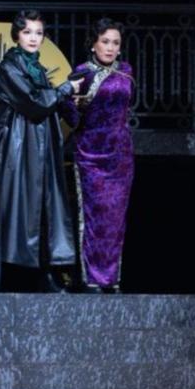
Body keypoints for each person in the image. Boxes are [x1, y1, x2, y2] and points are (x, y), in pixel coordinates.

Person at [0, 10, 82, 292]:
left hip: (38, 147)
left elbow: (44, 104)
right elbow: (34, 102)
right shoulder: (9, 68)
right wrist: (63, 90)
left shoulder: (37, 68)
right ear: (17, 36)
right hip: (12, 150)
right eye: (27, 32)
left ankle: (47, 274)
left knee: (45, 207)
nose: (34, 38)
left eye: (39, 33)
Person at [69, 17, 134, 292]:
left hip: (120, 156)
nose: (110, 47)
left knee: (115, 220)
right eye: (105, 41)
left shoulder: (126, 71)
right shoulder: (81, 73)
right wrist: (71, 103)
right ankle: (92, 279)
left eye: (115, 43)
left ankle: (112, 279)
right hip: (91, 155)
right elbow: (71, 115)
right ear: (93, 44)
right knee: (94, 217)